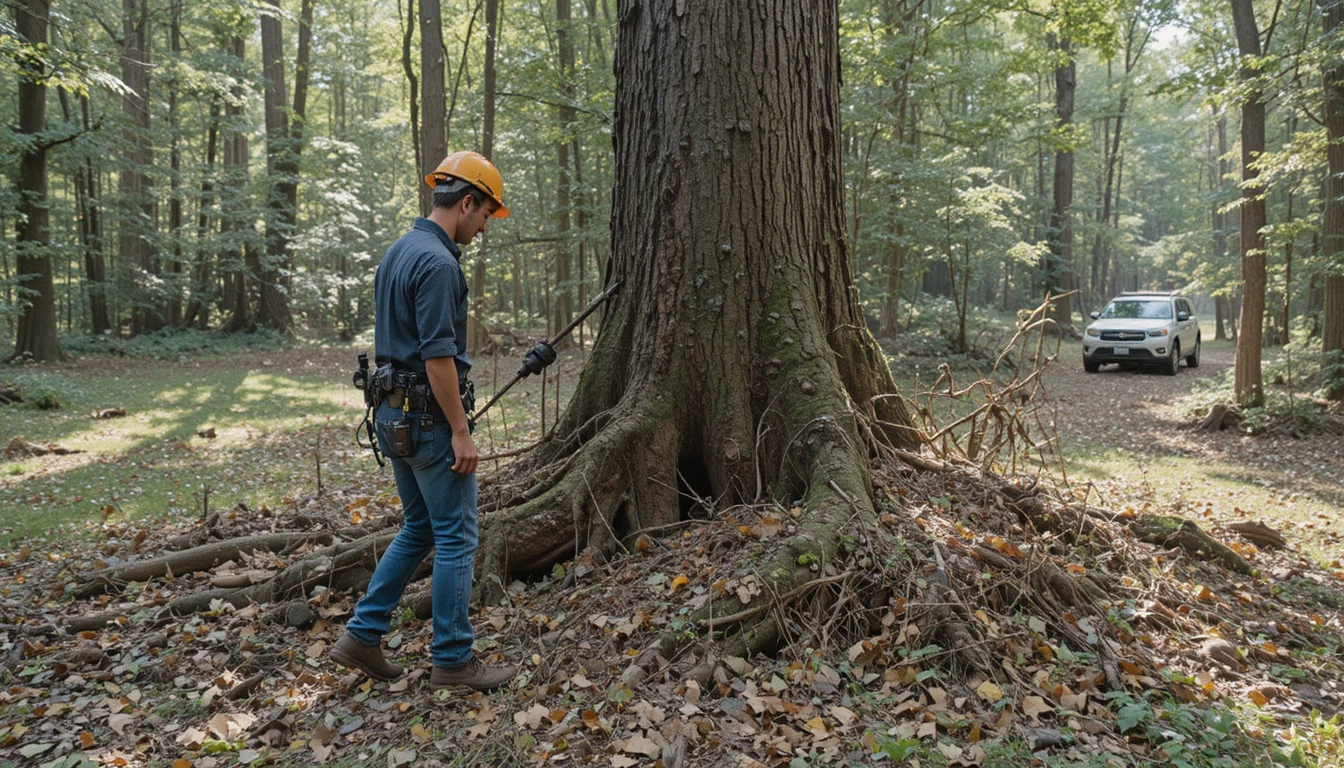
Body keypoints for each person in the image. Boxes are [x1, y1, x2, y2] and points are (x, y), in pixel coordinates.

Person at [330, 151, 517, 692]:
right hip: (429, 423)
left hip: (392, 418)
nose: (482, 230)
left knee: (419, 529)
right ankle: (454, 661)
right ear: (466, 202)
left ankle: (362, 635)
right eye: (484, 217)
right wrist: (460, 430)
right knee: (457, 536)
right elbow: (437, 358)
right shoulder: (438, 264)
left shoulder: (399, 252)